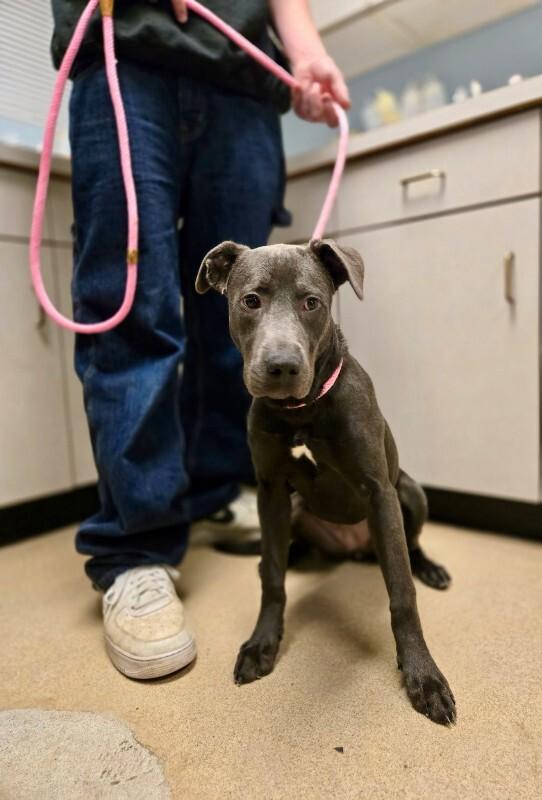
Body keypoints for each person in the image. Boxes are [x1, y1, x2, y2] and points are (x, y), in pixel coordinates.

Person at [50, 0, 350, 679]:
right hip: (124, 54)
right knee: (134, 310)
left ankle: (215, 491)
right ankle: (137, 550)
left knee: (233, 329)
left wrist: (302, 50)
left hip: (246, 84)